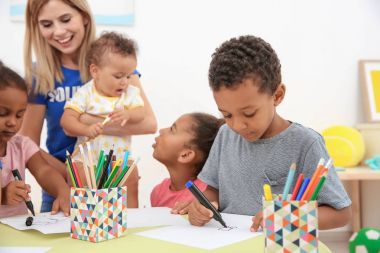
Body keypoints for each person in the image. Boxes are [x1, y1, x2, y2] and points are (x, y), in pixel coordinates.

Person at [187, 35, 352, 231]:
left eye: (249, 113)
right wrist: (204, 206)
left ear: (277, 95)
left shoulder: (306, 144)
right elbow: (214, 191)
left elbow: (341, 214)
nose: (238, 125)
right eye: (227, 114)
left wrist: (286, 217)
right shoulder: (225, 135)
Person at [21, 0, 157, 211]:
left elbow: (148, 123)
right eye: (47, 24)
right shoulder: (40, 76)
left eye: (66, 19)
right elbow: (26, 143)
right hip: (62, 188)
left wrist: (86, 121)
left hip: (113, 183)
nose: (59, 31)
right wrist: (72, 175)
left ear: (84, 16)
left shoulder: (116, 65)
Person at [61, 31, 145, 163]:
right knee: (79, 173)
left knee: (131, 175)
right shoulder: (86, 93)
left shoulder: (130, 93)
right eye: (118, 76)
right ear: (95, 71)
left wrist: (129, 114)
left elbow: (141, 113)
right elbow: (66, 120)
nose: (125, 82)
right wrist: (86, 129)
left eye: (128, 76)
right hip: (87, 159)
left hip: (118, 160)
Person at [0, 61, 70, 218]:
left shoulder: (21, 145)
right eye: (3, 113)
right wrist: (3, 194)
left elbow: (44, 170)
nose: (12, 122)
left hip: (18, 231)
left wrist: (62, 190)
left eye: (19, 115)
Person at [150, 113, 224, 214]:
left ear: (186, 155)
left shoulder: (206, 195)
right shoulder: (158, 192)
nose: (161, 130)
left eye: (172, 129)